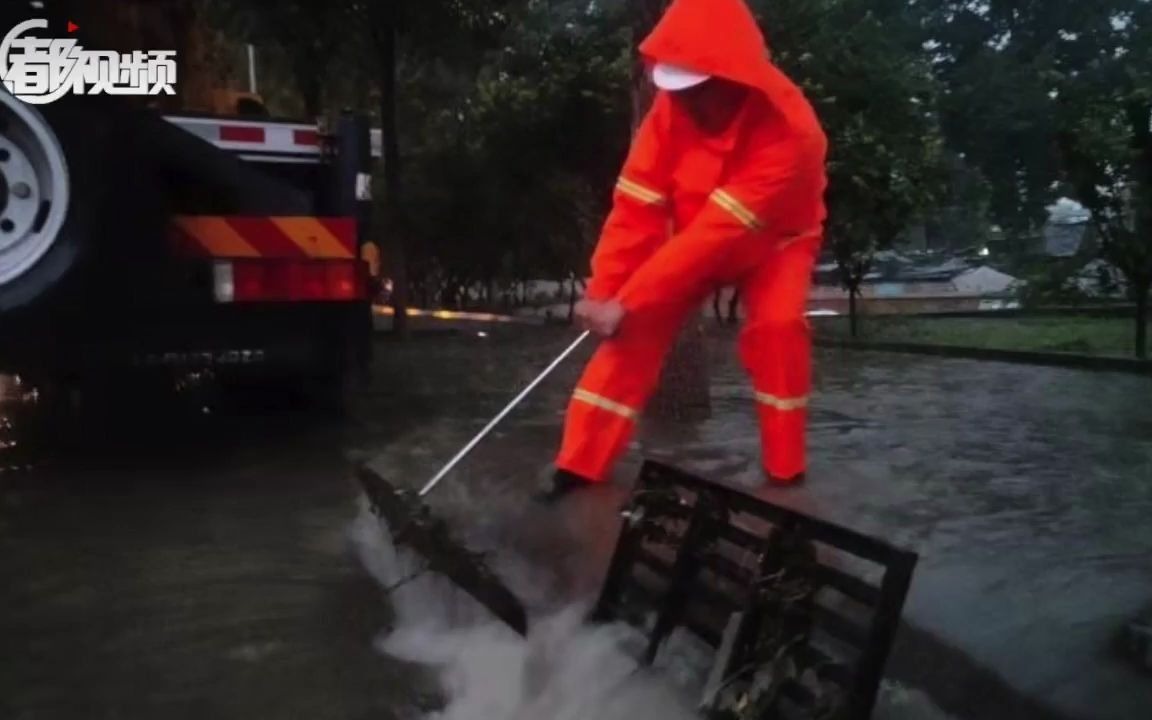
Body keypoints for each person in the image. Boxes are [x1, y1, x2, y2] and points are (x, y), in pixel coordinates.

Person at [537, 0, 828, 502]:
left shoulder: (794, 132)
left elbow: (721, 233)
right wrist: (606, 293)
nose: (685, 104)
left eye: (696, 91)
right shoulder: (668, 115)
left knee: (778, 329)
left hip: (776, 244)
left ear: (735, 78)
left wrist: (627, 299)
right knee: (630, 332)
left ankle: (786, 478)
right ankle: (577, 466)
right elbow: (635, 209)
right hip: (690, 239)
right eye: (676, 90)